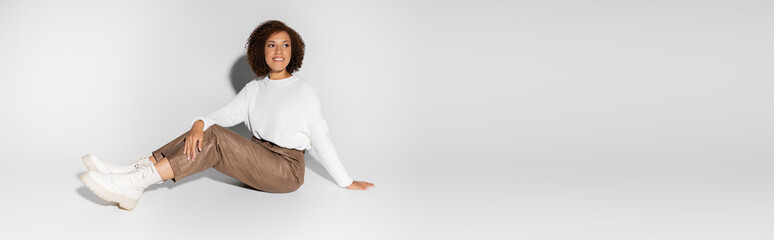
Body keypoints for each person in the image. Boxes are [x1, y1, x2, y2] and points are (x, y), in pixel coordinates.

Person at [79, 20, 374, 211]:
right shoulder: (255, 89)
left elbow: (321, 139)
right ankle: (132, 171)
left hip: (287, 170)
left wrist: (345, 180)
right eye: (271, 44)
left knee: (215, 136)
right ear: (262, 51)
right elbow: (223, 114)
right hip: (258, 159)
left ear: (293, 51)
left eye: (285, 44)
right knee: (204, 131)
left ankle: (137, 183)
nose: (279, 50)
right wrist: (198, 124)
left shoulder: (304, 91)